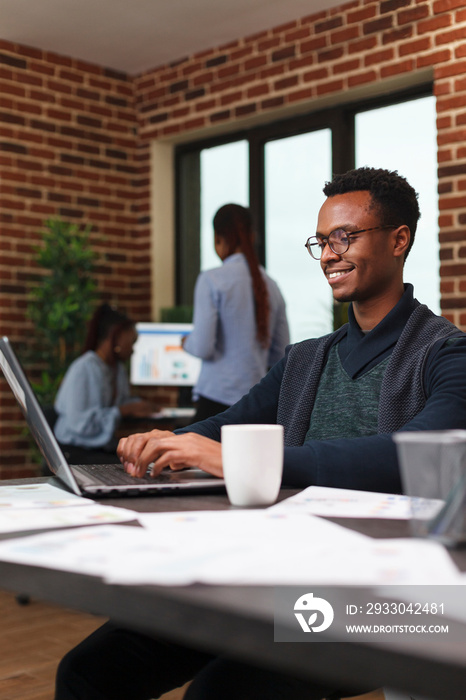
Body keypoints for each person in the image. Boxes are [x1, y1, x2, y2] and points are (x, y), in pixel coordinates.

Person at [55, 168, 466, 700]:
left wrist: (250, 465)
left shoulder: (447, 353)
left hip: (382, 600)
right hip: (272, 571)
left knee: (221, 693)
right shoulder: (305, 359)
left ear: (399, 239)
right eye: (322, 241)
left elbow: (418, 454)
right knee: (89, 671)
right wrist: (165, 441)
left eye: (345, 237)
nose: (328, 255)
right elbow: (226, 425)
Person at [183, 203, 290, 421]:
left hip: (215, 403)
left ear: (219, 238)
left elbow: (203, 346)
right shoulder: (272, 286)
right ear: (251, 237)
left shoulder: (211, 280)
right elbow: (280, 354)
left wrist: (186, 342)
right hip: (257, 404)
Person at [53, 303, 155, 463]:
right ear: (116, 336)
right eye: (132, 341)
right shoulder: (84, 368)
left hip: (100, 449)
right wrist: (124, 410)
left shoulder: (117, 369)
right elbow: (80, 424)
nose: (133, 349)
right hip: (74, 452)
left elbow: (118, 403)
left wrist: (139, 406)